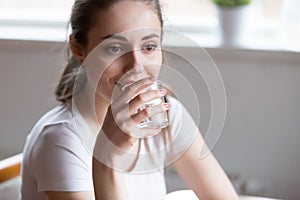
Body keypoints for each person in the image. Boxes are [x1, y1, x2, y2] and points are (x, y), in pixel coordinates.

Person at [20, 0, 239, 199]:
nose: (136, 66)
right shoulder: (61, 140)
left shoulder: (166, 113)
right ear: (79, 50)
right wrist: (106, 158)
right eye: (115, 48)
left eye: (149, 47)